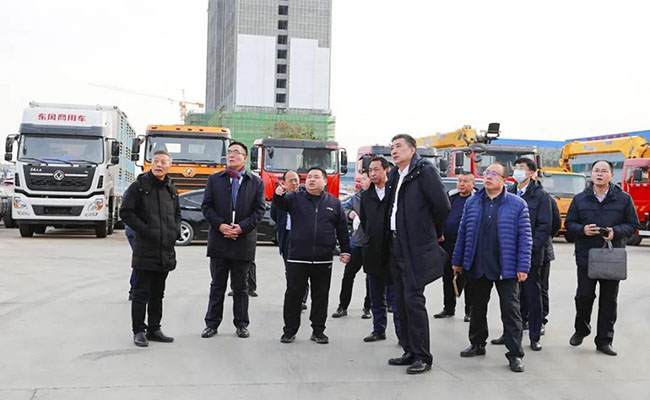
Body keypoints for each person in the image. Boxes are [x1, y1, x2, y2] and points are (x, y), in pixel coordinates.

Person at [452, 162, 532, 373]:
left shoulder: (517, 204)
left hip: (506, 266)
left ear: (505, 180)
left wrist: (523, 266)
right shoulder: (473, 202)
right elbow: (463, 233)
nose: (488, 176)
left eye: (494, 174)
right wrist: (457, 261)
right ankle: (477, 343)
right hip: (478, 264)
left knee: (511, 311)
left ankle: (515, 354)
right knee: (477, 307)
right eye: (486, 173)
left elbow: (525, 238)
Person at [385, 134, 450, 375]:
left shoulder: (424, 171)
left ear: (412, 150)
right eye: (392, 147)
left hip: (415, 245)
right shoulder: (395, 174)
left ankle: (423, 356)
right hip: (396, 244)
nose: (394, 151)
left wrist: (432, 232)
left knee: (413, 300)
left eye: (399, 146)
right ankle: (409, 350)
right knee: (400, 300)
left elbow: (442, 206)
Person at [565, 160, 639, 356]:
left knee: (609, 300)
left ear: (611, 175)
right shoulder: (580, 199)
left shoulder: (623, 199)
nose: (599, 174)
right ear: (591, 174)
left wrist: (616, 232)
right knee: (583, 296)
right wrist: (582, 229)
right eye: (596, 170)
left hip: (611, 256)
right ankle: (581, 329)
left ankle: (605, 340)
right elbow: (569, 223)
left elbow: (633, 224)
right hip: (586, 256)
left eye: (604, 171)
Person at [273, 167, 351, 344]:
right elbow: (280, 203)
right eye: (309, 177)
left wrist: (345, 250)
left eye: (316, 177)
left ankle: (318, 331)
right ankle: (289, 331)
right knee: (293, 295)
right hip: (297, 257)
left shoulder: (334, 203)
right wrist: (278, 193)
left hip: (323, 259)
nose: (311, 180)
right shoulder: (295, 198)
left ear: (325, 181)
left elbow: (341, 229)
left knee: (321, 296)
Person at [200, 141, 265, 340]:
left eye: (236, 152)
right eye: (229, 152)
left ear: (244, 158)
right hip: (219, 241)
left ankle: (241, 324)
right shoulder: (215, 179)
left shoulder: (256, 182)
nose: (231, 155)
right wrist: (220, 225)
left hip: (242, 242)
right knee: (217, 286)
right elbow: (207, 207)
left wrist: (241, 228)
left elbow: (259, 210)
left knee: (241, 287)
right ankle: (211, 324)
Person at [120, 150, 180, 347]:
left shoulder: (171, 188)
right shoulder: (139, 187)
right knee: (141, 293)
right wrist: (145, 230)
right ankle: (138, 330)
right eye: (156, 161)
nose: (159, 165)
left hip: (165, 249)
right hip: (145, 248)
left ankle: (154, 328)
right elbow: (126, 212)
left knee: (158, 293)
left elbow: (177, 214)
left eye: (163, 162)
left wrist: (175, 231)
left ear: (170, 166)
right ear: (151, 164)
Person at [491, 158, 551, 351]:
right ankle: (508, 334)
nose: (517, 171)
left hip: (531, 255)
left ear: (531, 173)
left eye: (522, 168)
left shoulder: (541, 196)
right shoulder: (508, 192)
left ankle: (534, 336)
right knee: (510, 299)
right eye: (516, 167)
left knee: (533, 297)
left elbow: (546, 226)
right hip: (508, 254)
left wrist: (531, 247)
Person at [359, 156, 402, 343]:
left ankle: (402, 335)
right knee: (376, 295)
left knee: (397, 297)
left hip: (393, 251)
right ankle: (378, 329)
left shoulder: (395, 193)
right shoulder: (366, 196)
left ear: (387, 170)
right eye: (370, 171)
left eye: (377, 169)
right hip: (373, 251)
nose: (373, 173)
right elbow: (365, 221)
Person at [434, 172, 476, 322]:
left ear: (472, 184)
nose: (461, 184)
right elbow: (441, 215)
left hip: (468, 245)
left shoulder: (476, 200)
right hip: (448, 244)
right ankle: (448, 308)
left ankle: (469, 311)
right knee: (447, 277)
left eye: (465, 181)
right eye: (459, 181)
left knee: (469, 279)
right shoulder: (451, 197)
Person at [332, 172, 371, 319]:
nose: (362, 182)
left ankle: (368, 307)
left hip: (372, 243)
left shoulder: (379, 197)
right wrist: (350, 213)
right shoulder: (356, 197)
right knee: (348, 275)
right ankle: (342, 306)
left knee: (371, 278)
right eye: (362, 179)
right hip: (356, 242)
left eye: (365, 179)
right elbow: (342, 208)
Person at [270, 170, 309, 310]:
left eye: (296, 180)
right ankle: (294, 296)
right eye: (291, 180)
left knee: (303, 269)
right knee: (290, 270)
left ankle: (302, 299)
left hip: (303, 237)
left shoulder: (305, 195)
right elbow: (273, 215)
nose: (294, 183)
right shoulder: (281, 197)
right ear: (284, 183)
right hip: (287, 236)